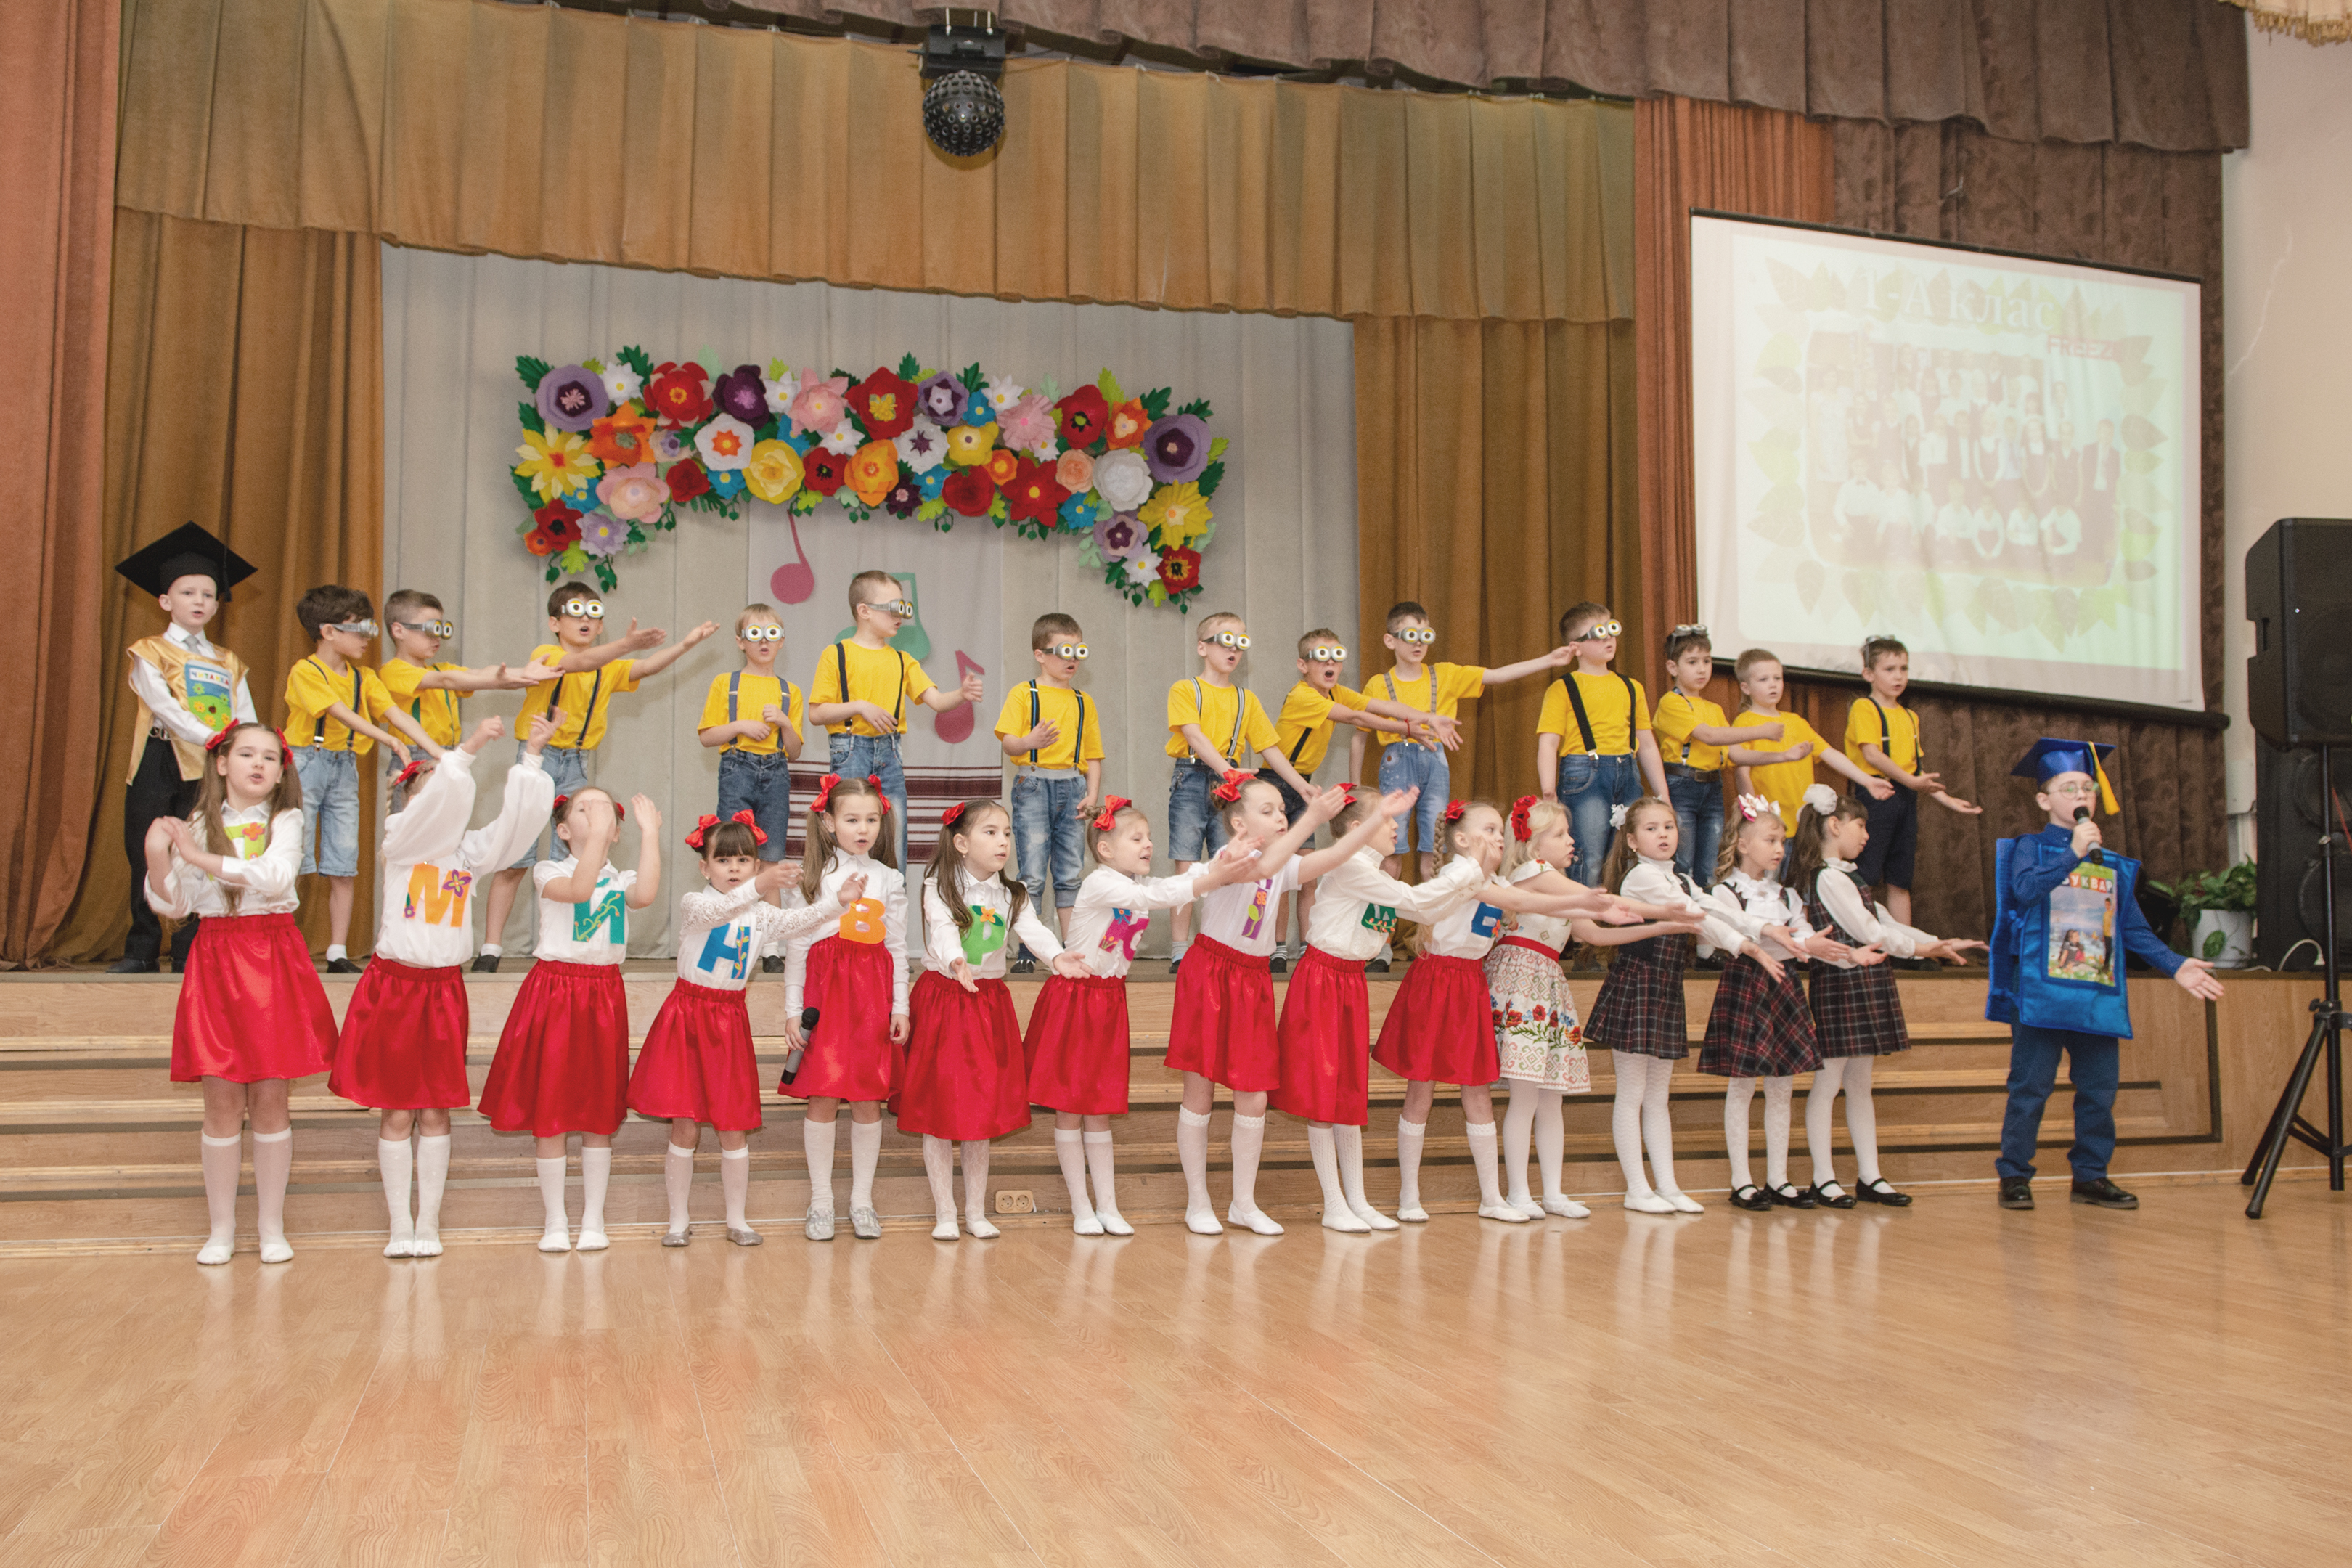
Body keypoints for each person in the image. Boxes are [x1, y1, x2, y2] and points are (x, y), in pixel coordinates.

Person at [332, 711, 558, 1258]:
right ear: (409, 800)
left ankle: (427, 1223)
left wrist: (530, 756)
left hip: (441, 992)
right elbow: (436, 806)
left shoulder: (467, 855)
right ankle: (399, 1226)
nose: (444, 799)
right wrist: (470, 745)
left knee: (435, 1110)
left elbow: (513, 828)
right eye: (428, 789)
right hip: (394, 988)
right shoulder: (399, 841)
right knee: (396, 1111)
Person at [1989, 738, 2224, 1212]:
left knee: (2099, 1090)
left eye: (2088, 788)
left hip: (2095, 990)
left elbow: (2132, 928)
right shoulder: (2030, 848)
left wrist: (2176, 965)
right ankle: (2014, 1174)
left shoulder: (2110, 863)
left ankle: (2091, 1176)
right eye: (2069, 787)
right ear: (2044, 800)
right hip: (2039, 990)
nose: (2082, 795)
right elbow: (2024, 892)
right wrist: (2071, 854)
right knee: (2030, 1087)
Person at [143, 722, 337, 1263]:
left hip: (271, 955)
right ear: (222, 763)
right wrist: (159, 854)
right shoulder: (198, 825)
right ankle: (222, 1229)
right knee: (222, 1098)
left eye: (270, 757)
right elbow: (177, 905)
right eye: (247, 754)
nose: (258, 764)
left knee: (272, 1095)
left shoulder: (286, 819)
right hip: (217, 958)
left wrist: (195, 855)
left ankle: (271, 1227)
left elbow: (276, 877)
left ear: (281, 771)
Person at [1375, 800, 1620, 1223]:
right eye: (1487, 829)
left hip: (1471, 982)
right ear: (1461, 839)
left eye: (1498, 829)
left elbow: (1530, 903)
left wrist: (1595, 907)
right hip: (1436, 981)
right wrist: (1588, 900)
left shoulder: (1496, 881)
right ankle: (1409, 1195)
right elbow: (1527, 900)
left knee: (1478, 1091)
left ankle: (1492, 1198)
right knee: (1420, 1091)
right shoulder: (1459, 876)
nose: (1498, 836)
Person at [1026, 801, 1256, 1236]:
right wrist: (1213, 878)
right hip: (1076, 1001)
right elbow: (1154, 897)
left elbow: (1174, 883)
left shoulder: (1135, 882)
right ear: (1105, 849)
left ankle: (1108, 1206)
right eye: (1137, 839)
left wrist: (1223, 860)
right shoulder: (1101, 884)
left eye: (1149, 837)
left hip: (1110, 1001)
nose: (1148, 845)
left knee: (1099, 1110)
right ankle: (1081, 1207)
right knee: (1070, 1110)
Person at [629, 812, 855, 1248]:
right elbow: (722, 909)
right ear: (704, 867)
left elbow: (799, 922)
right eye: (723, 860)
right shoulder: (695, 905)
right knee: (685, 1124)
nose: (734, 868)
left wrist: (837, 902)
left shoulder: (760, 915)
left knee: (733, 1124)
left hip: (729, 1021)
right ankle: (677, 1221)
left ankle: (737, 1219)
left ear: (754, 864)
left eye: (744, 860)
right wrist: (762, 884)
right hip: (687, 1018)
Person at [475, 583, 713, 971]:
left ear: (601, 625)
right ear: (555, 622)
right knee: (516, 856)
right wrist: (627, 644)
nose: (586, 619)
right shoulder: (546, 655)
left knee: (572, 856)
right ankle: (491, 948)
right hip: (538, 756)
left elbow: (646, 667)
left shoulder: (609, 667)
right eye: (576, 612)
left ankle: (561, 946)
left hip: (577, 761)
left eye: (593, 613)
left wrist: (686, 644)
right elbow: (581, 663)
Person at [1167, 775, 1367, 1235]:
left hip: (1253, 980)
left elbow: (1330, 857)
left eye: (1283, 810)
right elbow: (1260, 869)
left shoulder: (1285, 863)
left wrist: (1376, 819)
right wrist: (1312, 818)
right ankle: (1198, 1202)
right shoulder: (1230, 857)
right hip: (1211, 972)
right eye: (1269, 810)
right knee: (1199, 1090)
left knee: (1255, 1096)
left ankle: (1243, 1202)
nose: (1281, 817)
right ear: (1239, 823)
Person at [1269, 785, 1467, 1231]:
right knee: (1323, 1094)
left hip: (1350, 982)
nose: (1397, 827)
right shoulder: (1351, 867)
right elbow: (1417, 904)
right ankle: (1333, 1202)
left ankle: (1357, 1199)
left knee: (1348, 1094)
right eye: (1388, 819)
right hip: (1322, 980)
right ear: (1358, 828)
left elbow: (1421, 909)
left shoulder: (1376, 871)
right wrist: (1469, 872)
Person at [477, 785, 663, 1252]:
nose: (597, 815)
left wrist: (650, 834)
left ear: (615, 833)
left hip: (603, 996)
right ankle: (555, 1219)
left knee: (599, 1114)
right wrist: (600, 834)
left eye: (604, 811)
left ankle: (593, 1218)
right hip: (557, 993)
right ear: (563, 830)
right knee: (553, 1111)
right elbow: (579, 889)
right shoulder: (549, 871)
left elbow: (646, 893)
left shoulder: (619, 878)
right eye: (585, 809)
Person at [1788, 783, 1984, 1208]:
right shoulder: (1827, 877)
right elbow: (1869, 932)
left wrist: (1935, 942)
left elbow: (1886, 922)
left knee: (1860, 1084)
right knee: (1829, 1082)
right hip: (1841, 984)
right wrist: (1920, 949)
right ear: (1834, 826)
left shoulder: (1848, 875)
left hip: (1867, 983)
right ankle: (1823, 1178)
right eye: (1861, 826)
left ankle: (1870, 1175)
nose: (1867, 835)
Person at [902, 799, 1087, 1239]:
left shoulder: (1013, 893)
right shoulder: (939, 885)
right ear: (962, 843)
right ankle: (945, 1212)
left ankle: (974, 1211)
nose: (1003, 841)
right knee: (939, 1110)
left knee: (980, 1111)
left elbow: (1034, 930)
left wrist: (1057, 956)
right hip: (946, 1001)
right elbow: (942, 926)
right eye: (990, 832)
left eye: (1006, 833)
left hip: (987, 1005)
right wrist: (955, 960)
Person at [1575, 798, 1747, 1214]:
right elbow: (1697, 915)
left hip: (1667, 989)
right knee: (1632, 1093)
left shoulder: (1681, 879)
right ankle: (1637, 1189)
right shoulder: (1641, 878)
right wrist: (1745, 944)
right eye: (1651, 829)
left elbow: (1711, 907)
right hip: (1637, 986)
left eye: (1668, 826)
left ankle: (1667, 1185)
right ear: (1632, 840)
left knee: (1657, 1095)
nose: (1663, 834)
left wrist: (1755, 930)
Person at [112, 523, 259, 973]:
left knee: (201, 853)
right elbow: (165, 707)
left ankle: (190, 950)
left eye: (208, 594)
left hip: (209, 767)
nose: (200, 601)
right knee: (146, 849)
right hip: (159, 759)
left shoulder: (228, 661)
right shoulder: (150, 651)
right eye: (188, 592)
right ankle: (141, 949)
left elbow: (244, 716)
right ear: (165, 601)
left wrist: (244, 751)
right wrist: (214, 738)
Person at [1699, 798, 1858, 1212]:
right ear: (1742, 844)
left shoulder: (1786, 894)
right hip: (1747, 984)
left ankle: (1778, 1178)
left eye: (1782, 842)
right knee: (1742, 1085)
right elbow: (1737, 937)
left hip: (1784, 986)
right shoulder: (1724, 892)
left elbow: (1802, 935)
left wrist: (1809, 944)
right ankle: (1741, 1180)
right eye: (1770, 840)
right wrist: (1795, 942)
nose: (1779, 849)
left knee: (1782, 1085)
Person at [284, 585, 442, 971]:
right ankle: (284, 945)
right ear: (328, 631)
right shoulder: (306, 671)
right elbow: (338, 711)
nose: (368, 638)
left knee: (343, 857)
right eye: (360, 629)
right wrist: (387, 738)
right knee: (293, 854)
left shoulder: (364, 677)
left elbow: (396, 715)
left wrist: (439, 753)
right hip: (306, 764)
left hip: (345, 768)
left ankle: (337, 951)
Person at [1360, 601, 1572, 885]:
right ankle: (1386, 914)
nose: (1419, 643)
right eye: (1410, 635)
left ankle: (1432, 913)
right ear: (1390, 640)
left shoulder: (1445, 675)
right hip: (1397, 762)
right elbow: (1360, 735)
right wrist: (1356, 784)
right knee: (1390, 846)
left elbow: (1496, 675)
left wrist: (1548, 660)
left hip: (1435, 761)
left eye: (1425, 636)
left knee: (1434, 846)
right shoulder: (1378, 684)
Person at [780, 774, 907, 1241]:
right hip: (826, 993)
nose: (864, 829)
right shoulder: (812, 877)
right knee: (824, 1095)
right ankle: (820, 1202)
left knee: (868, 1099)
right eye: (852, 819)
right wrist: (793, 1010)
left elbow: (897, 946)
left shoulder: (889, 877)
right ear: (830, 822)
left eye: (872, 820)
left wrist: (900, 1005)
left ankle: (861, 1201)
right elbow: (796, 948)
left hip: (871, 996)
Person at [1265, 629, 1432, 971]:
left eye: (1336, 656)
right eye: (1320, 656)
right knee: (1280, 873)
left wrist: (1427, 718)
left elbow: (1383, 706)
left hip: (1303, 784)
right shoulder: (1303, 696)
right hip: (1276, 783)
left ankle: (1310, 944)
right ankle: (1277, 947)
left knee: (1309, 874)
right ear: (1303, 665)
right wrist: (1407, 729)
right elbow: (1357, 718)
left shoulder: (1336, 692)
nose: (1330, 663)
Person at [1161, 611, 1315, 970]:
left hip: (1231, 782)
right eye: (1225, 640)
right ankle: (1180, 949)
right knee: (1186, 862)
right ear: (1203, 647)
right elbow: (1193, 735)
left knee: (1235, 861)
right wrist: (1227, 770)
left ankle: (1225, 944)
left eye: (1240, 642)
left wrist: (1302, 786)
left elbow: (1270, 748)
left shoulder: (1247, 698)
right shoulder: (1186, 689)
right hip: (1192, 776)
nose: (1234, 649)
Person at [805, 570, 983, 866]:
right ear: (864, 611)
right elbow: (816, 713)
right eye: (893, 607)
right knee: (849, 835)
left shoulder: (903, 660)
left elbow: (937, 702)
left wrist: (961, 694)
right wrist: (860, 706)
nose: (900, 615)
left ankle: (893, 894)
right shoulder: (836, 655)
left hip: (890, 754)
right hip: (850, 752)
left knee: (894, 833)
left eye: (904, 607)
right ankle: (847, 893)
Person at [1489, 799, 1597, 1220]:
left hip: (1548, 985)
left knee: (1551, 1098)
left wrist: (1659, 924)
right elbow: (1592, 899)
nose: (1571, 841)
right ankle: (1519, 1192)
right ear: (1533, 845)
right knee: (1525, 1096)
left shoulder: (1557, 884)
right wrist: (1639, 905)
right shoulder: (1531, 873)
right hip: (1522, 985)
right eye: (1560, 834)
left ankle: (1552, 1191)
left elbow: (1592, 933)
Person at [1843, 636, 1982, 925]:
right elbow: (1872, 754)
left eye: (1903, 669)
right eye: (1889, 669)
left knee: (1900, 876)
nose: (1899, 676)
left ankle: (1906, 942)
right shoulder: (1865, 708)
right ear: (1869, 674)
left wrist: (1947, 800)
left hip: (1906, 798)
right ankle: (1859, 936)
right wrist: (1910, 781)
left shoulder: (1910, 716)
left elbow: (1916, 770)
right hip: (1875, 795)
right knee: (1865, 872)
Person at [994, 614, 1105, 973]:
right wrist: (1030, 741)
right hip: (1033, 784)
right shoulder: (1024, 693)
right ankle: (1030, 947)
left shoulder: (1083, 700)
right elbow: (1009, 743)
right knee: (1033, 872)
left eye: (1078, 651)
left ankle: (1072, 947)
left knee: (1070, 871)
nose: (1072, 659)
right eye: (1063, 651)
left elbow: (1093, 755)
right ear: (1040, 655)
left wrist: (1092, 794)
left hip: (1073, 786)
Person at [1650, 624, 1796, 890]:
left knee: (1710, 868)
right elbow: (1709, 735)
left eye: (1707, 661)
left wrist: (1784, 756)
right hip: (1683, 787)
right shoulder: (1672, 702)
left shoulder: (1714, 708)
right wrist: (1762, 730)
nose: (1702, 669)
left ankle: (1707, 914)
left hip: (1712, 789)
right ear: (1673, 667)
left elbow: (1736, 754)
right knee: (1682, 864)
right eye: (1692, 662)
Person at [1535, 603, 1670, 889]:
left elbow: (1647, 745)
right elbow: (1548, 743)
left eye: (1611, 629)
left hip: (1628, 772)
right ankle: (1583, 915)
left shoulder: (1632, 687)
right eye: (1597, 633)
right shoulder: (1564, 688)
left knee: (1628, 854)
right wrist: (1548, 791)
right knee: (1589, 855)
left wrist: (1663, 793)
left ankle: (1621, 912)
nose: (1608, 638)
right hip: (1585, 775)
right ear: (1576, 647)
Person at [376, 589, 549, 807]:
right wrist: (497, 680)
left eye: (441, 629)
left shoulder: (440, 668)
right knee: (410, 826)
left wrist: (525, 672)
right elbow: (447, 680)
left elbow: (479, 673)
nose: (437, 637)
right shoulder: (393, 671)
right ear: (399, 630)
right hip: (414, 761)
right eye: (429, 629)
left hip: (448, 755)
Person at [696, 605, 807, 929]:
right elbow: (706, 736)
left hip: (777, 774)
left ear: (781, 641)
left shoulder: (790, 691)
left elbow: (795, 751)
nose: (763, 641)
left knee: (770, 856)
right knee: (733, 853)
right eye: (754, 634)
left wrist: (785, 723)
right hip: (737, 769)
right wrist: (740, 726)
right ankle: (730, 929)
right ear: (740, 641)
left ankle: (770, 942)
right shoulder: (726, 683)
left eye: (771, 634)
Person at [1728, 648, 1890, 832]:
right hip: (1770, 823)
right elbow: (1742, 772)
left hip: (1803, 824)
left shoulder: (1796, 722)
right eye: (1764, 680)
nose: (1773, 685)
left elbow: (1830, 754)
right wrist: (1754, 815)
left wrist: (1867, 781)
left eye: (1777, 678)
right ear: (1746, 688)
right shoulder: (1744, 723)